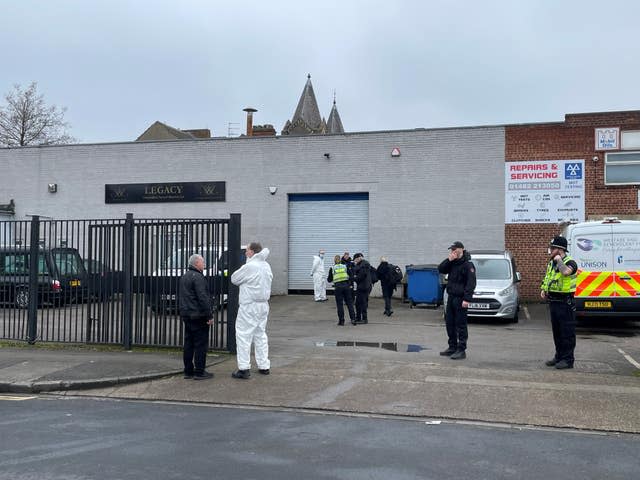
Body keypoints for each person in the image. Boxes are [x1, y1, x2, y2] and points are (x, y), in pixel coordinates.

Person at [230, 242, 273, 379]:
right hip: (263, 305)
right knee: (260, 335)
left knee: (243, 335)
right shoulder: (266, 266)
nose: (245, 253)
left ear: (252, 252)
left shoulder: (249, 266)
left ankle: (243, 368)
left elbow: (234, 279)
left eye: (247, 250)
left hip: (249, 305)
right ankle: (264, 365)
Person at [540, 236, 578, 370]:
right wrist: (544, 289)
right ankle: (559, 356)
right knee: (557, 332)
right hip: (554, 302)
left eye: (552, 248)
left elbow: (566, 272)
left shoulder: (570, 262)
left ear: (560, 249)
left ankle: (568, 360)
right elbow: (548, 277)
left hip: (565, 302)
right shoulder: (551, 263)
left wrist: (559, 261)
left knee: (566, 332)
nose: (550, 251)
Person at [438, 241, 476, 360]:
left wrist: (467, 299)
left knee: (461, 325)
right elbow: (441, 269)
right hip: (451, 297)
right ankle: (452, 347)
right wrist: (449, 260)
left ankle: (461, 350)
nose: (453, 251)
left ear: (462, 249)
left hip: (461, 299)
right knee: (450, 323)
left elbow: (471, 284)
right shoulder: (453, 263)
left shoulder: (468, 265)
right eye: (452, 249)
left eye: (455, 249)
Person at [179, 254, 214, 380]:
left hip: (187, 315)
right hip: (198, 315)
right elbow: (203, 298)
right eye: (202, 262)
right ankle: (199, 371)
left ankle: (188, 371)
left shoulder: (185, 276)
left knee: (189, 343)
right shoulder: (198, 277)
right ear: (196, 264)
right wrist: (209, 315)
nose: (204, 265)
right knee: (200, 344)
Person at [327, 254, 357, 325]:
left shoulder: (332, 268)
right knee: (350, 303)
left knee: (340, 305)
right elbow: (351, 275)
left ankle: (341, 321)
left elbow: (329, 279)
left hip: (338, 288)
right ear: (340, 260)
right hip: (346, 287)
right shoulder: (345, 266)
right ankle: (353, 319)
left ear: (334, 261)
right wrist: (349, 284)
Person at [352, 253, 372, 324]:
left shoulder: (364, 265)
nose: (355, 261)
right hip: (362, 286)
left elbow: (360, 277)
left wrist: (353, 278)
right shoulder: (361, 264)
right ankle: (358, 318)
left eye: (355, 260)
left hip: (364, 287)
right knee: (358, 303)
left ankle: (364, 319)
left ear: (359, 258)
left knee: (363, 303)